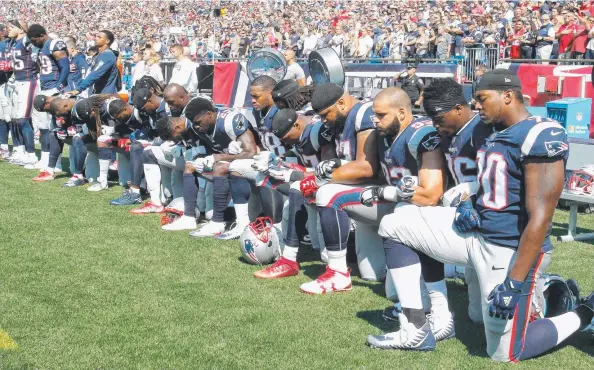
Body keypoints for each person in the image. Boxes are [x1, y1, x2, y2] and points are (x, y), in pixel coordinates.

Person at [370, 69, 594, 362]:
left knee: (506, 352)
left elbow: (540, 218)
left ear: (509, 96)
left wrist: (514, 282)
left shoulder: (540, 134)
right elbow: (495, 187)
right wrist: (469, 203)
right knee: (396, 222)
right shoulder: (493, 132)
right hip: (476, 234)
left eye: (482, 98)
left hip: (508, 248)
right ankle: (418, 325)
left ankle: (583, 310)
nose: (475, 105)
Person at [297, 83, 376, 294]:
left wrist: (319, 179)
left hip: (386, 193)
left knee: (327, 193)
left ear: (341, 102)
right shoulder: (341, 120)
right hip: (367, 196)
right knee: (372, 274)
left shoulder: (363, 114)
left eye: (325, 115)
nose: (324, 121)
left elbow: (366, 168)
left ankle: (338, 272)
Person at [253, 108, 336, 279]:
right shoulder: (302, 133)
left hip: (339, 188)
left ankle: (289, 259)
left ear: (297, 124)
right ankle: (287, 248)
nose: (287, 142)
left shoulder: (318, 132)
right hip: (318, 188)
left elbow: (329, 173)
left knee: (297, 187)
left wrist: (293, 174)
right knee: (268, 178)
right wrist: (277, 161)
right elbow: (301, 157)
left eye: (287, 137)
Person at [27, 24, 70, 173]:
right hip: (45, 87)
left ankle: (57, 163)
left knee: (56, 127)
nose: (34, 43)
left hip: (54, 88)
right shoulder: (40, 48)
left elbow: (65, 66)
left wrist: (58, 87)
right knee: (44, 127)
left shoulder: (54, 43)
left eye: (34, 40)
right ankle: (46, 159)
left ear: (42, 36)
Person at [6, 19, 39, 166]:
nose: (8, 29)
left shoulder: (25, 40)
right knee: (18, 119)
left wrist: (23, 23)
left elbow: (30, 31)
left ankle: (31, 155)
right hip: (18, 82)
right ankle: (24, 151)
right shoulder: (14, 43)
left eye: (11, 27)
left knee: (23, 119)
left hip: (27, 81)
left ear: (20, 30)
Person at [70, 30, 121, 95]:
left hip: (105, 96)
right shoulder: (98, 55)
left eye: (99, 37)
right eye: (96, 36)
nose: (96, 38)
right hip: (97, 93)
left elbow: (95, 74)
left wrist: (79, 89)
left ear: (107, 41)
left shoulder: (107, 55)